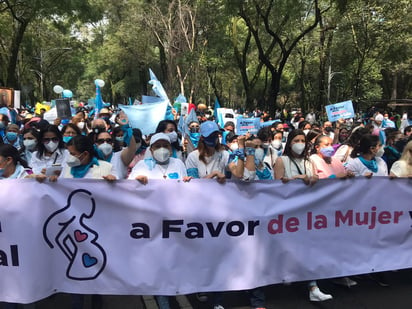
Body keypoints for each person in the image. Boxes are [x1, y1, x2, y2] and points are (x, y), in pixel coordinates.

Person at [274, 129, 332, 302]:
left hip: (307, 212)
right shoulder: (281, 160)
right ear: (290, 142)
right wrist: (296, 179)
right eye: (296, 140)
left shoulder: (309, 162)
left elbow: (315, 181)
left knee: (308, 247)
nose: (300, 143)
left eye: (302, 140)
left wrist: (314, 179)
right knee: (290, 247)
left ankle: (313, 287)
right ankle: (287, 273)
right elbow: (276, 187)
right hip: (288, 212)